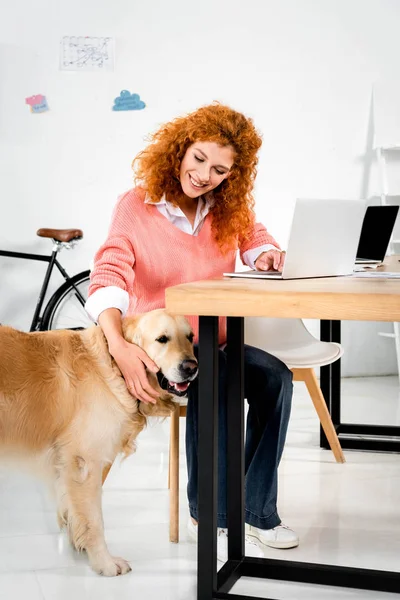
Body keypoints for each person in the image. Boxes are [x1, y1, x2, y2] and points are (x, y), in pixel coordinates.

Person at [85, 103, 299, 561]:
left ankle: (257, 511)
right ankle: (212, 514)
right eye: (198, 158)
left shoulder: (227, 208)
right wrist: (118, 344)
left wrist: (265, 254)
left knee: (275, 378)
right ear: (180, 149)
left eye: (219, 169)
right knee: (217, 374)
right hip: (161, 351)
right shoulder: (136, 205)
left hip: (216, 343)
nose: (204, 175)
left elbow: (256, 237)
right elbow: (108, 275)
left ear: (231, 176)